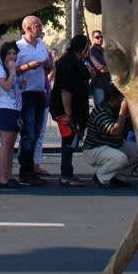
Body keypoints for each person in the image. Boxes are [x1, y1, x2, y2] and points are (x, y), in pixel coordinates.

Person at [15, 15, 53, 186]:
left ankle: (32, 169)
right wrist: (29, 66)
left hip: (40, 92)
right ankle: (26, 172)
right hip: (26, 93)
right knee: (28, 135)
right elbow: (12, 70)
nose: (41, 28)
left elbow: (47, 67)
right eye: (38, 26)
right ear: (28, 28)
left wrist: (47, 65)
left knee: (36, 134)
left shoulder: (41, 45)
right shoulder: (18, 47)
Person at [49, 34, 90, 187]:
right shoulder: (68, 63)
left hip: (77, 109)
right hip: (67, 110)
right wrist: (68, 114)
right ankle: (66, 175)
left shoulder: (78, 62)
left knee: (71, 141)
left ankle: (68, 172)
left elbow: (89, 75)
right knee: (68, 141)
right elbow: (65, 90)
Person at [82, 84, 138, 188]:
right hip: (95, 149)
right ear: (111, 100)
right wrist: (122, 111)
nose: (122, 101)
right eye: (120, 99)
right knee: (121, 158)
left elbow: (132, 126)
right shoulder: (101, 112)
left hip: (114, 145)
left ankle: (117, 177)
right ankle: (101, 176)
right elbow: (115, 131)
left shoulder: (116, 109)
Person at [0, 41, 22, 188]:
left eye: (14, 53)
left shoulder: (11, 69)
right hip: (5, 108)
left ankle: (8, 175)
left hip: (15, 108)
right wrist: (12, 72)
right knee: (5, 144)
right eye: (9, 53)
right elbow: (6, 86)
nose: (12, 56)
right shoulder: (0, 69)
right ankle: (3, 177)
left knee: (11, 146)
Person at [88, 29, 111, 107]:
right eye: (97, 37)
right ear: (93, 39)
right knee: (99, 109)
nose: (100, 39)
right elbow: (102, 69)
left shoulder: (105, 51)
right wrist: (114, 68)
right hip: (98, 86)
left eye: (101, 37)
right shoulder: (91, 52)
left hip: (107, 84)